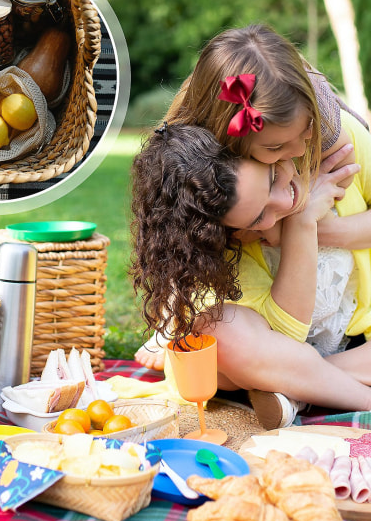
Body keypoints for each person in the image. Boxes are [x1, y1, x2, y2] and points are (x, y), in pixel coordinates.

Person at [135, 23, 369, 370]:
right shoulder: (216, 192)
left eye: (307, 130)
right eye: (274, 148)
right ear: (231, 140)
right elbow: (276, 337)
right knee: (222, 348)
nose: (298, 150)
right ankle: (302, 379)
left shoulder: (335, 142)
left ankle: (308, 381)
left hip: (350, 326)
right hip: (270, 328)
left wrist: (301, 229)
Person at [130, 120, 371, 430]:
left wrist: (322, 229)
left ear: (263, 148)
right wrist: (301, 224)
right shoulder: (217, 224)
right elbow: (287, 339)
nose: (286, 203)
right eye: (258, 217)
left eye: (272, 178)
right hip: (269, 349)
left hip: (355, 344)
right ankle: (359, 398)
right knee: (217, 333)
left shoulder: (336, 143)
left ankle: (298, 393)